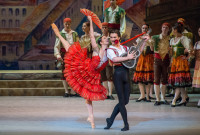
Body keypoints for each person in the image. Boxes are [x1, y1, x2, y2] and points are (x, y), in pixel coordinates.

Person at [52, 16, 109, 129]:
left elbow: (118, 58)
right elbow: (92, 35)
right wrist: (91, 22)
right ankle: (91, 117)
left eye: (107, 39)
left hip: (93, 73)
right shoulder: (97, 48)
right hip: (87, 68)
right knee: (70, 49)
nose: (106, 39)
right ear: (101, 42)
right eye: (105, 39)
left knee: (88, 97)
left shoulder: (110, 51)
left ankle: (91, 116)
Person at [104, 29, 136, 131]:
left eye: (114, 37)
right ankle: (126, 124)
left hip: (126, 74)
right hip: (118, 74)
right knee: (121, 101)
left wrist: (144, 41)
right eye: (111, 37)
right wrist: (127, 57)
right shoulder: (110, 50)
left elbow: (136, 53)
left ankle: (110, 119)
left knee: (125, 100)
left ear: (119, 38)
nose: (113, 39)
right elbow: (114, 59)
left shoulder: (125, 48)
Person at [168, 22, 193, 107]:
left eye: (172, 30)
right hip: (175, 62)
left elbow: (190, 50)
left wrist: (187, 57)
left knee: (178, 82)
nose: (172, 31)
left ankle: (174, 100)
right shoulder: (172, 40)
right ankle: (183, 99)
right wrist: (170, 51)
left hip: (181, 62)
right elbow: (171, 53)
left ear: (175, 30)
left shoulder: (184, 38)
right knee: (180, 82)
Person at [54, 18, 79, 97]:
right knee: (64, 73)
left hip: (73, 55)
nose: (67, 25)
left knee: (74, 73)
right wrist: (58, 55)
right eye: (66, 24)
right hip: (64, 55)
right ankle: (66, 91)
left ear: (70, 24)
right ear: (63, 24)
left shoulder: (74, 34)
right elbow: (56, 46)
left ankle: (72, 91)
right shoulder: (60, 34)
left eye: (69, 24)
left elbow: (78, 45)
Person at [149, 23, 171, 106]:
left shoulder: (170, 38)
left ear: (169, 29)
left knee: (164, 79)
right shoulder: (155, 37)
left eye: (166, 28)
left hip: (166, 59)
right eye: (163, 27)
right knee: (156, 79)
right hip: (157, 59)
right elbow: (151, 48)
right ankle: (157, 99)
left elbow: (171, 51)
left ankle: (163, 98)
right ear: (161, 28)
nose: (165, 29)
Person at [133, 24, 154, 102]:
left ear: (148, 29)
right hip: (142, 58)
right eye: (143, 28)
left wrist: (147, 39)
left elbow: (152, 48)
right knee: (140, 77)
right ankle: (142, 95)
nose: (144, 29)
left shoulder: (150, 38)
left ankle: (147, 96)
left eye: (146, 28)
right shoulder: (139, 38)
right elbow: (138, 49)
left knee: (148, 78)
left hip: (148, 58)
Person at [96, 22, 115, 100]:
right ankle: (106, 93)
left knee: (109, 76)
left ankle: (110, 93)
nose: (104, 29)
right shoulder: (98, 39)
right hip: (101, 59)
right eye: (103, 27)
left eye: (105, 27)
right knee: (103, 77)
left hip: (109, 58)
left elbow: (115, 45)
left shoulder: (112, 37)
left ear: (108, 28)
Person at [191, 27, 200, 107]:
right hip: (198, 63)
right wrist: (189, 52)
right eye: (199, 31)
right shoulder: (197, 43)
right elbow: (193, 55)